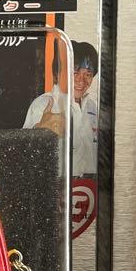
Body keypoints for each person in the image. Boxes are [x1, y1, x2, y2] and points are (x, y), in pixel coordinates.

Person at [23, 41, 99, 177]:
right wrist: (39, 132)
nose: (81, 80)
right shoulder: (43, 104)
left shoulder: (92, 106)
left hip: (90, 185)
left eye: (88, 74)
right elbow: (24, 155)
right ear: (57, 74)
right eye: (74, 73)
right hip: (58, 185)